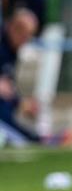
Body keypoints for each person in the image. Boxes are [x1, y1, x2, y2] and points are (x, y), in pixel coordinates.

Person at [0, 8, 41, 145]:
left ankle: (36, 138)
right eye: (25, 36)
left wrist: (21, 102)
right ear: (14, 29)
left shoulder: (12, 50)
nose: (26, 41)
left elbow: (6, 87)